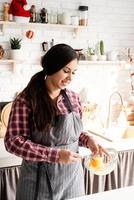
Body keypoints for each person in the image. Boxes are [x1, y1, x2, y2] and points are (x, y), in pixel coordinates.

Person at [4, 43, 106, 200]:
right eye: (66, 71)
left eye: (73, 72)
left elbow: (72, 134)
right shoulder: (26, 100)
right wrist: (55, 155)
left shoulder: (73, 98)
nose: (70, 77)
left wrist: (88, 140)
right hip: (37, 184)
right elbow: (13, 142)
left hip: (72, 182)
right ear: (52, 67)